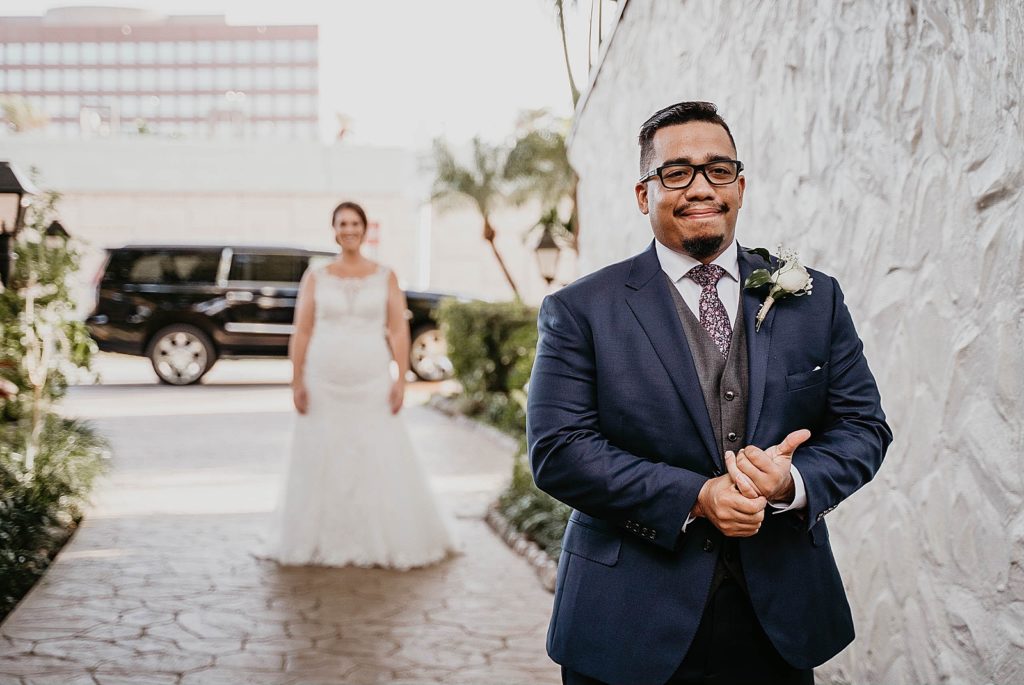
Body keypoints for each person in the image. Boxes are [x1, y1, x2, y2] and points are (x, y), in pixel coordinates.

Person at [527, 102, 892, 685]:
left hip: (776, 620)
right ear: (644, 194)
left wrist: (790, 485)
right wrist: (696, 496)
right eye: (677, 172)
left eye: (718, 170)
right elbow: (559, 452)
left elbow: (863, 428)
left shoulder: (814, 299)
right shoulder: (579, 311)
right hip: (625, 618)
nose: (701, 187)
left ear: (740, 187)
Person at [265, 201, 457, 568]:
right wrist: (297, 380)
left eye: (355, 223)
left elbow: (398, 329)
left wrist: (399, 379)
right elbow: (303, 329)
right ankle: (318, 538)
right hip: (323, 379)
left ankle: (382, 539)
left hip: (371, 378)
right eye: (342, 223)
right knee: (322, 453)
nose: (349, 229)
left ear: (365, 229)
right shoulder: (316, 277)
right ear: (333, 229)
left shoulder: (385, 275)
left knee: (377, 452)